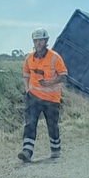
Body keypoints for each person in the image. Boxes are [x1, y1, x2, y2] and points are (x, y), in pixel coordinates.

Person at [20, 27, 68, 162]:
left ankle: (55, 149)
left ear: (46, 41)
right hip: (34, 97)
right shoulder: (29, 58)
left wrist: (51, 82)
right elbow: (26, 74)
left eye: (41, 40)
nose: (38, 43)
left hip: (51, 99)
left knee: (52, 125)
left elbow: (64, 75)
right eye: (36, 40)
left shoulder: (55, 57)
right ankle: (27, 151)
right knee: (30, 123)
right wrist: (27, 89)